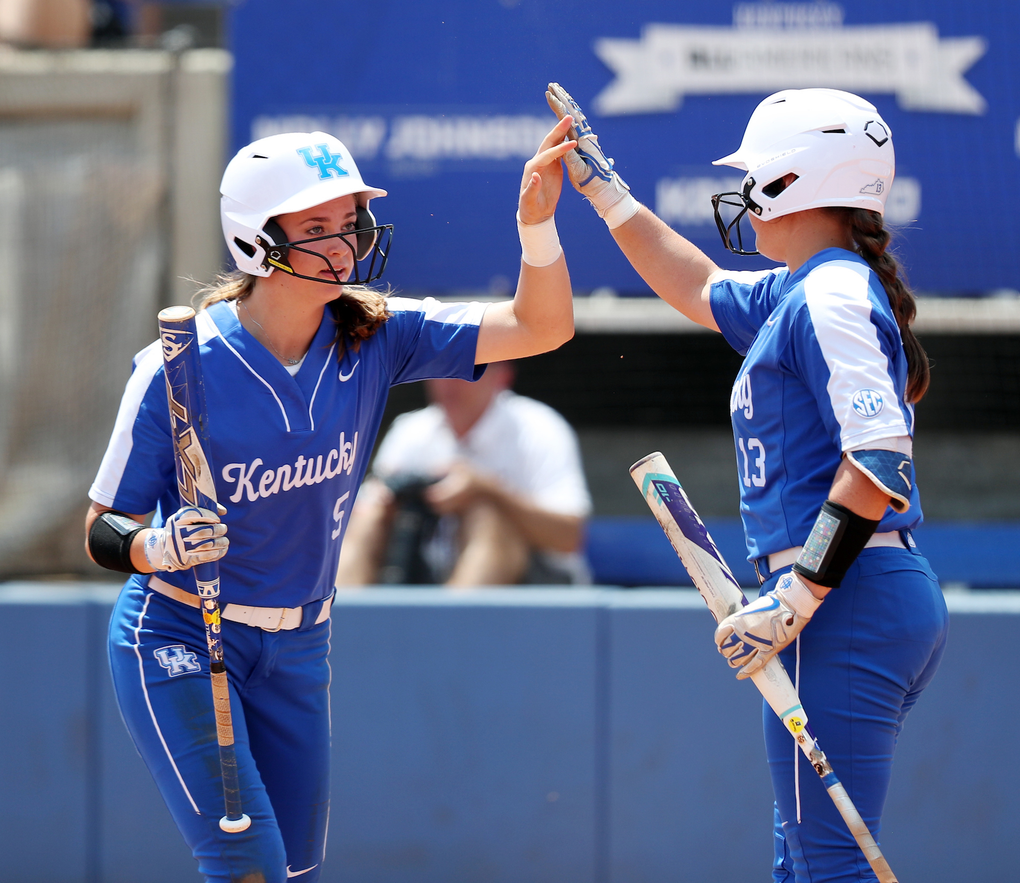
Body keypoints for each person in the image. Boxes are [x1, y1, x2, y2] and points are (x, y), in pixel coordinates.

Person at [82, 118, 580, 882]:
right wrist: (155, 545)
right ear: (256, 240)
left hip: (300, 641)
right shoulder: (175, 366)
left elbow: (543, 326)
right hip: (179, 633)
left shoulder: (377, 333)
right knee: (247, 863)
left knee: (296, 871)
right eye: (316, 227)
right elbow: (100, 528)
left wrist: (536, 224)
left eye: (348, 223)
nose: (343, 246)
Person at [545, 84, 949, 881]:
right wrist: (605, 192)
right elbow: (695, 285)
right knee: (801, 860)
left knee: (827, 865)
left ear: (799, 182)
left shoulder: (830, 291)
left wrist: (797, 596)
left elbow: (879, 462)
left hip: (844, 597)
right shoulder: (805, 283)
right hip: (851, 595)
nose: (743, 192)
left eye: (759, 175)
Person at [336, 359, 591, 587]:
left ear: (502, 376)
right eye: (440, 368)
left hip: (536, 592)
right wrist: (388, 501)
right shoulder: (411, 430)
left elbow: (570, 537)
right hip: (427, 576)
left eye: (466, 370)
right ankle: (339, 629)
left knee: (486, 515)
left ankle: (451, 633)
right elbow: (359, 515)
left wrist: (487, 489)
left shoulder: (539, 427)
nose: (449, 382)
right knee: (369, 520)